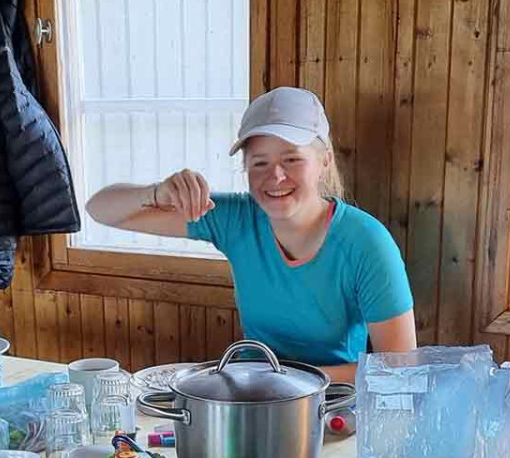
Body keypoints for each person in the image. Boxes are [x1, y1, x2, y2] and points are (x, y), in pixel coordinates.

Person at [84, 86, 417, 381]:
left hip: (333, 407)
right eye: (259, 162)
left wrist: (284, 380)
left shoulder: (368, 242)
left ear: (325, 161)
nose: (275, 176)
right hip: (251, 397)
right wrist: (157, 192)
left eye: (291, 159)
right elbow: (100, 209)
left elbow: (400, 367)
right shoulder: (236, 219)